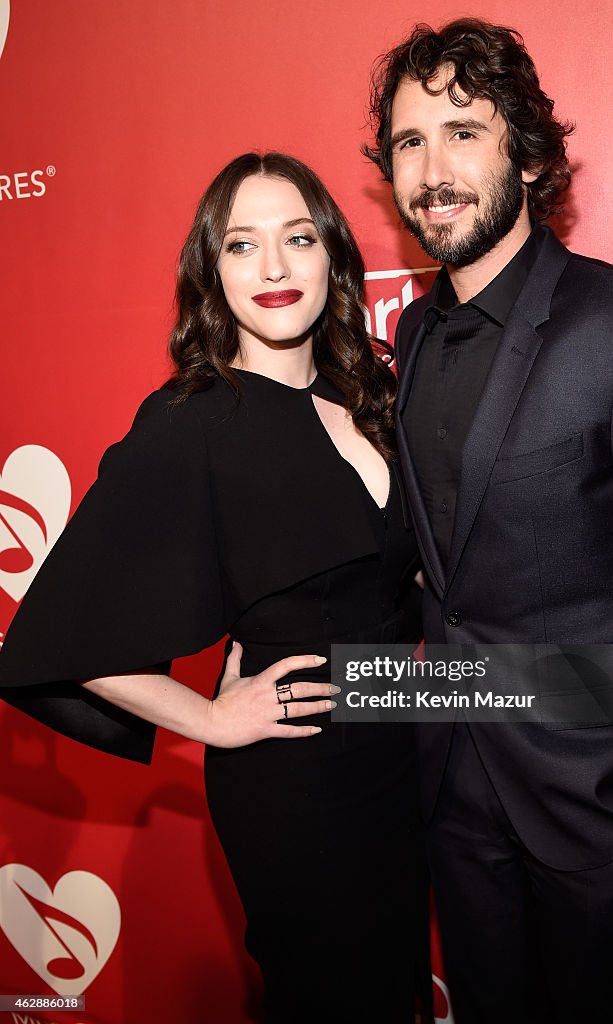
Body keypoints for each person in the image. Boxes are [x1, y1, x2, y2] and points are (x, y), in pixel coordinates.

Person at [364, 18, 613, 1024]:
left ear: (525, 157)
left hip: (606, 815)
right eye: (408, 142)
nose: (432, 169)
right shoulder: (411, 336)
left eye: (461, 133)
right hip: (456, 801)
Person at [0, 152, 430, 1024]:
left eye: (297, 238)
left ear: (333, 258)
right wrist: (208, 719)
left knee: (393, 992)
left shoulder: (373, 394)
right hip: (297, 776)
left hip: (406, 750)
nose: (273, 267)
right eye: (242, 245)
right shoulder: (190, 418)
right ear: (212, 270)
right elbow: (60, 631)